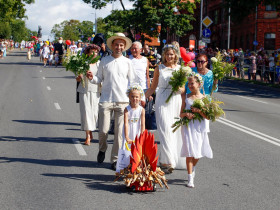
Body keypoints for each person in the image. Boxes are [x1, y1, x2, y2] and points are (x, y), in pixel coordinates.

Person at [86, 32, 137, 170]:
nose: (119, 47)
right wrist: (91, 78)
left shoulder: (127, 62)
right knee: (103, 130)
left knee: (119, 133)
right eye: (116, 45)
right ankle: (102, 149)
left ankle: (114, 159)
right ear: (112, 46)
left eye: (121, 45)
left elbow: (132, 82)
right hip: (106, 100)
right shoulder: (105, 60)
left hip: (122, 102)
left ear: (124, 47)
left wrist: (135, 98)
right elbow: (99, 79)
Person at [145, 44, 186, 173]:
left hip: (175, 100)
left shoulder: (180, 69)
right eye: (167, 54)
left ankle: (165, 160)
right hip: (162, 99)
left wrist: (179, 89)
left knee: (174, 130)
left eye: (172, 54)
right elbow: (152, 87)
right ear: (164, 56)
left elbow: (184, 89)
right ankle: (169, 161)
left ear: (176, 56)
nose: (169, 56)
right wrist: (142, 98)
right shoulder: (159, 68)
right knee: (164, 129)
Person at [180, 73, 213, 188]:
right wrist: (187, 114)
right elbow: (180, 114)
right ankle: (190, 178)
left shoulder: (205, 98)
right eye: (188, 83)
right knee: (189, 152)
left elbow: (208, 117)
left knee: (197, 153)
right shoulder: (186, 97)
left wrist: (199, 111)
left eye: (192, 83)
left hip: (199, 128)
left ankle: (193, 168)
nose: (190, 85)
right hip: (189, 127)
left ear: (199, 84)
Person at [116, 84, 145, 172]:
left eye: (137, 97)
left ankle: (136, 169)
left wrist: (142, 135)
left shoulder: (141, 110)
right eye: (132, 97)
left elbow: (142, 124)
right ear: (129, 97)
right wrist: (127, 137)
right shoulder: (127, 109)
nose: (134, 99)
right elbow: (125, 124)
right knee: (127, 151)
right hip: (129, 132)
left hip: (137, 132)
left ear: (140, 98)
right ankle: (126, 169)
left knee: (137, 151)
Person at [76, 44, 101, 145]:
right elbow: (77, 79)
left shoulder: (100, 64)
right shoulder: (83, 63)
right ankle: (87, 137)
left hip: (96, 91)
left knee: (94, 113)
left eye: (96, 52)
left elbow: (102, 78)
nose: (94, 54)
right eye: (92, 52)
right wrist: (79, 76)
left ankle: (90, 132)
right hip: (84, 90)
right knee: (86, 112)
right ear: (87, 53)